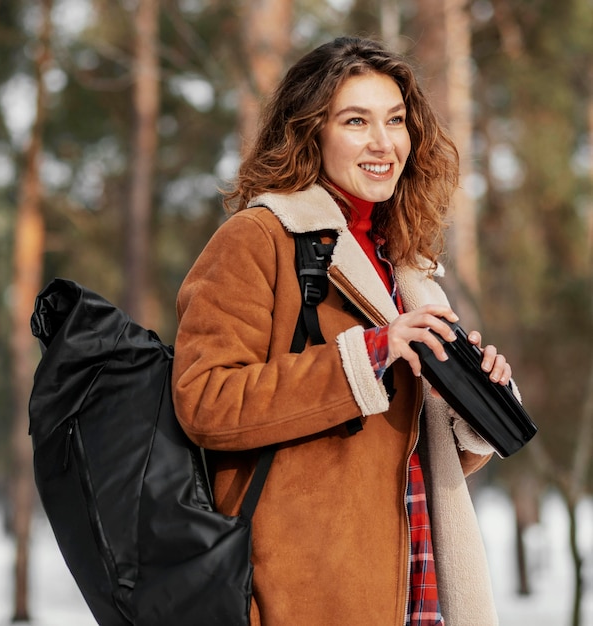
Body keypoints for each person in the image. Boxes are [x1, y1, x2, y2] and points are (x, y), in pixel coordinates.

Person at [172, 36, 513, 626]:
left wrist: (467, 406)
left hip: (416, 583)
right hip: (305, 592)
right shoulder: (259, 239)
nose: (384, 142)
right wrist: (369, 355)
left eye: (396, 120)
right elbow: (205, 400)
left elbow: (402, 452)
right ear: (311, 130)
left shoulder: (408, 265)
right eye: (356, 120)